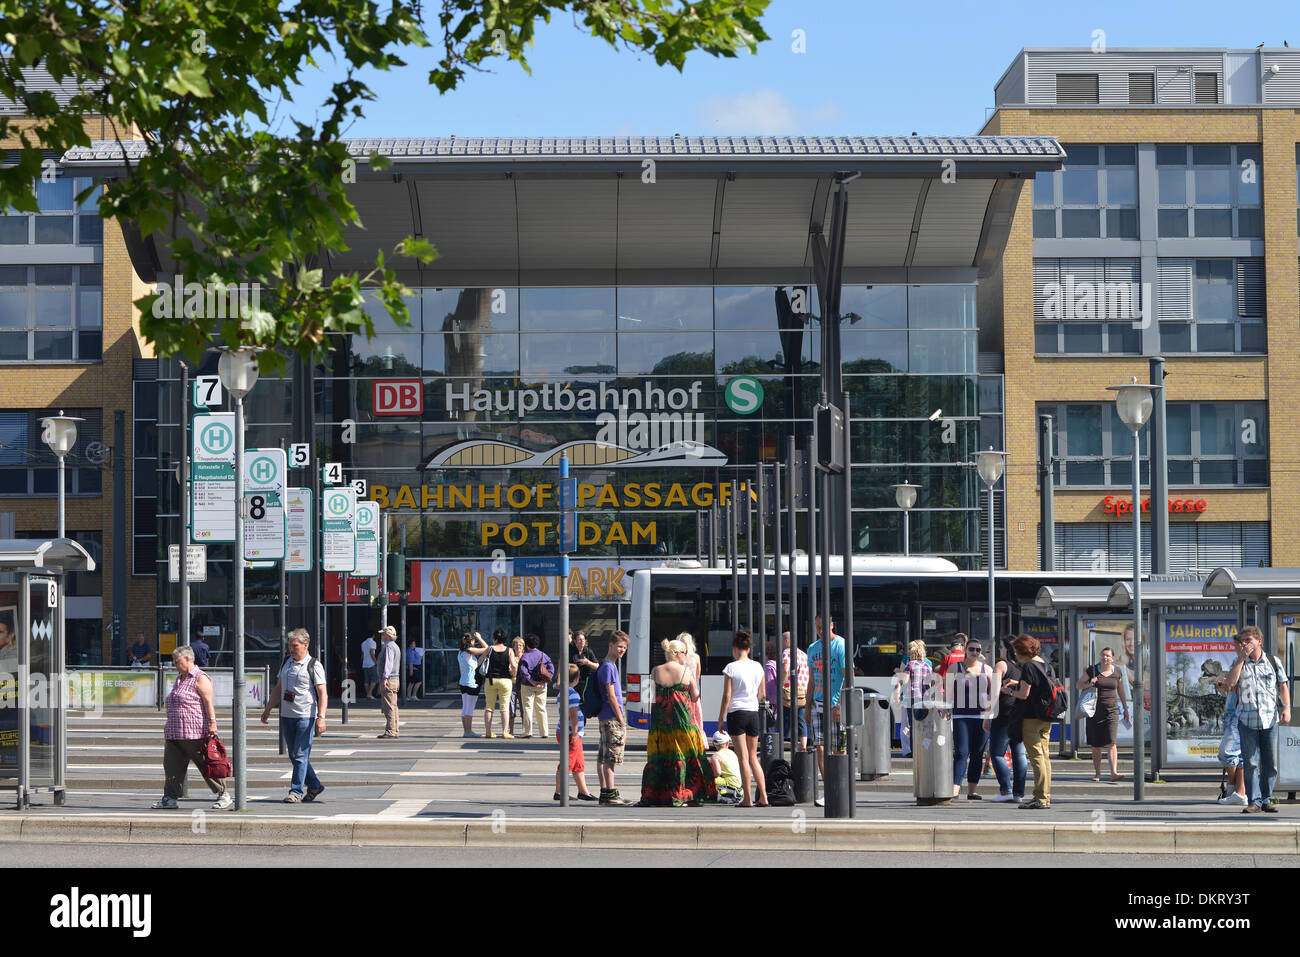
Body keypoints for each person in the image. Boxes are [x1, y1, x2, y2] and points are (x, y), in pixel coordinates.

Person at [151, 644, 230, 809]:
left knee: (206, 765)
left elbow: (208, 702)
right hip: (174, 733)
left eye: (177, 661)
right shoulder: (180, 679)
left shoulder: (200, 678)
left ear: (187, 659)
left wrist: (213, 723)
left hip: (194, 732)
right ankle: (170, 798)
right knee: (172, 767)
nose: (174, 665)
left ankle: (223, 794)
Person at [639, 638, 716, 806]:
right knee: (687, 757)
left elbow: (651, 699)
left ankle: (659, 795)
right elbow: (695, 696)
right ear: (678, 653)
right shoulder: (685, 672)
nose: (686, 657)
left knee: (661, 758)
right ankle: (683, 794)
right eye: (685, 653)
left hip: (661, 725)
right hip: (682, 724)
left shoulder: (655, 671)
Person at [1225, 625, 1291, 814]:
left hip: (1270, 718)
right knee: (1251, 762)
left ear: (1259, 641)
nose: (1245, 644)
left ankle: (1267, 799)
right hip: (1247, 719)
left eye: (1249, 640)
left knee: (1270, 763)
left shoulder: (1272, 661)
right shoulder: (1239, 662)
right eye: (1243, 641)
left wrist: (1286, 708)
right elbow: (1230, 683)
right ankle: (1254, 801)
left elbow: (1283, 685)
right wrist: (1241, 658)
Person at [259, 628, 327, 803]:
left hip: (305, 715)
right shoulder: (286, 662)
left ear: (306, 645)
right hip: (287, 715)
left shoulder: (314, 665)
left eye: (295, 645)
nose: (291, 648)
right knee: (294, 755)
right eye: (290, 645)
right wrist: (268, 709)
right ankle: (314, 785)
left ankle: (295, 791)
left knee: (300, 755)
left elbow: (322, 692)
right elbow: (278, 688)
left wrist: (321, 717)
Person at [718, 630, 769, 808]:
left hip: (736, 714)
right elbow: (762, 694)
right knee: (754, 758)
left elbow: (727, 695)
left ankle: (747, 799)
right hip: (753, 713)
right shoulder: (758, 667)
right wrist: (752, 701)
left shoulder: (731, 668)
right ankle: (763, 796)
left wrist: (720, 717)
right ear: (748, 648)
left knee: (743, 758)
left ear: (735, 648)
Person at [1005, 634, 1054, 810]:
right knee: (1045, 757)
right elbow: (1039, 685)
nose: (1015, 654)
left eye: (1016, 651)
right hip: (1045, 717)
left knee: (1036, 758)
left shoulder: (1028, 666)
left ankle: (1040, 798)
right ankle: (1045, 796)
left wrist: (1009, 691)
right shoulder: (1045, 664)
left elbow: (1024, 694)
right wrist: (1017, 682)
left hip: (1031, 718)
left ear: (1021, 651)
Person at [805, 614, 846, 796]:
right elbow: (811, 680)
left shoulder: (840, 645)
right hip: (818, 703)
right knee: (820, 747)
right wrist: (807, 706)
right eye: (818, 627)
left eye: (823, 627)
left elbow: (847, 676)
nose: (821, 631)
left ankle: (841, 786)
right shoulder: (813, 649)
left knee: (839, 748)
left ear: (832, 624)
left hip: (835, 703)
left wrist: (839, 705)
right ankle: (829, 788)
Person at [951, 640, 996, 800]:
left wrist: (990, 716)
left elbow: (994, 695)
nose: (975, 652)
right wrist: (943, 711)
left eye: (978, 650)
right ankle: (955, 788)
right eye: (971, 649)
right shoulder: (955, 667)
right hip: (960, 716)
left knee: (977, 754)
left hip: (981, 717)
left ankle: (972, 791)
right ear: (965, 649)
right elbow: (946, 692)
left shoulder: (987, 669)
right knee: (961, 752)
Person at [1077, 646, 1129, 782]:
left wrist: (1125, 709)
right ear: (1100, 657)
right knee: (1096, 744)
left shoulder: (1117, 672)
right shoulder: (1092, 670)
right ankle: (1098, 773)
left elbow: (1121, 691)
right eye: (1103, 655)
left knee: (1112, 742)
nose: (1105, 658)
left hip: (1112, 710)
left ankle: (1114, 773)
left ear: (1112, 658)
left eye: (1108, 656)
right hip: (1094, 710)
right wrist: (1090, 683)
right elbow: (1079, 685)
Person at [988, 636, 1028, 803]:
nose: (999, 650)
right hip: (1019, 715)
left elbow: (995, 692)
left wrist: (987, 715)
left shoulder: (1001, 665)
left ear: (1005, 648)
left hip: (1002, 714)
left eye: (1000, 647)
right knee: (1019, 754)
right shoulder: (1023, 666)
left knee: (997, 753)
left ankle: (1006, 790)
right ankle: (1019, 793)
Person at [596, 630, 631, 806]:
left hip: (605, 716)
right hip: (611, 718)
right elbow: (611, 696)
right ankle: (610, 793)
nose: (622, 650)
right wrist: (621, 718)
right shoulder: (609, 666)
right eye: (619, 646)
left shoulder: (606, 664)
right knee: (611, 759)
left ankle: (605, 792)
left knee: (603, 757)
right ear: (611, 645)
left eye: (624, 647)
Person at [556, 664, 596, 801]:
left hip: (568, 732)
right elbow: (573, 715)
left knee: (578, 763)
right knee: (567, 762)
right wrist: (574, 732)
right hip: (570, 733)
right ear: (577, 678)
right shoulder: (572, 694)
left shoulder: (563, 692)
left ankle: (583, 791)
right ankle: (560, 792)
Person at [1215, 674, 1248, 806]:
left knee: (1226, 753)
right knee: (1239, 756)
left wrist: (1230, 685)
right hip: (1230, 718)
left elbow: (1243, 689)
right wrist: (1226, 685)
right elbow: (1231, 686)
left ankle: (1233, 785)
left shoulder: (1245, 665)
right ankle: (1239, 792)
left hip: (1237, 718)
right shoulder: (1238, 663)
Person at [897, 639, 932, 758]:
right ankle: (924, 749)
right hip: (924, 699)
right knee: (923, 725)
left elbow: (904, 680)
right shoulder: (928, 665)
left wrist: (897, 690)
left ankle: (914, 751)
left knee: (913, 725)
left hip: (912, 698)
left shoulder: (910, 664)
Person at [518, 633, 554, 738]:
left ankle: (527, 731)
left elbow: (523, 671)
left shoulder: (525, 656)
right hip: (542, 686)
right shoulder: (543, 655)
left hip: (527, 685)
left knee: (528, 708)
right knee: (541, 708)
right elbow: (551, 669)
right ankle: (544, 732)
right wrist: (544, 681)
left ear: (526, 644)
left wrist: (532, 681)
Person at [483, 629, 517, 739]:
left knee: (489, 707)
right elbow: (514, 665)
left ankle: (488, 732)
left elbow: (480, 662)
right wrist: (513, 674)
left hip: (491, 680)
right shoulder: (510, 650)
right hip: (505, 681)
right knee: (504, 707)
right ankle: (505, 732)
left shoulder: (490, 649)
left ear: (495, 638)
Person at [780, 631, 809, 750]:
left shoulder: (787, 652)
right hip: (803, 691)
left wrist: (780, 683)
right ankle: (803, 746)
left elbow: (786, 670)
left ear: (786, 641)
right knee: (800, 719)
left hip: (789, 691)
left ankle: (784, 743)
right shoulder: (803, 654)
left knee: (785, 718)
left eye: (782, 640)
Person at [457, 633, 488, 737]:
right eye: (474, 641)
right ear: (470, 642)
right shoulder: (470, 650)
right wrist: (479, 637)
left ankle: (466, 731)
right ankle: (469, 731)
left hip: (463, 682)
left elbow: (475, 664)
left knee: (465, 707)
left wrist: (483, 657)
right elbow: (487, 648)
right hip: (472, 683)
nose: (475, 642)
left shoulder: (460, 653)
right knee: (469, 707)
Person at [375, 625, 401, 738]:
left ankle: (390, 731)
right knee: (394, 706)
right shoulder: (395, 646)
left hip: (389, 679)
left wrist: (384, 678)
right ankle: (394, 730)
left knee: (389, 706)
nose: (381, 635)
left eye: (383, 634)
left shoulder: (389, 647)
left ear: (388, 635)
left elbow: (388, 664)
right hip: (395, 679)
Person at [680, 632, 705, 740]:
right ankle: (698, 740)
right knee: (696, 717)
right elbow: (697, 676)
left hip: (682, 692)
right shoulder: (696, 657)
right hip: (694, 692)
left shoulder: (679, 658)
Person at [709, 730, 743, 804]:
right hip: (738, 782)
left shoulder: (715, 756)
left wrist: (712, 776)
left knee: (707, 779)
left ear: (713, 743)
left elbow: (718, 772)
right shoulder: (732, 753)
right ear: (727, 743)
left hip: (729, 782)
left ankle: (712, 795)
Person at [507, 635, 526, 737]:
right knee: (511, 708)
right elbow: (510, 671)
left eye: (520, 645)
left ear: (523, 647)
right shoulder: (511, 657)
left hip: (523, 685)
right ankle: (511, 731)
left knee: (524, 709)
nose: (518, 647)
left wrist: (514, 669)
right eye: (516, 645)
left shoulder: (525, 656)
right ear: (513, 646)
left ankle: (524, 731)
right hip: (512, 684)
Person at [360, 632, 378, 700]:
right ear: (373, 636)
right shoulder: (373, 642)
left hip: (365, 663)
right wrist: (376, 662)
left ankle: (368, 695)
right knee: (375, 678)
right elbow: (372, 652)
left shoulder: (363, 643)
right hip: (371, 663)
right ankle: (369, 694)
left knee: (366, 680)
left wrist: (362, 661)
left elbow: (362, 654)